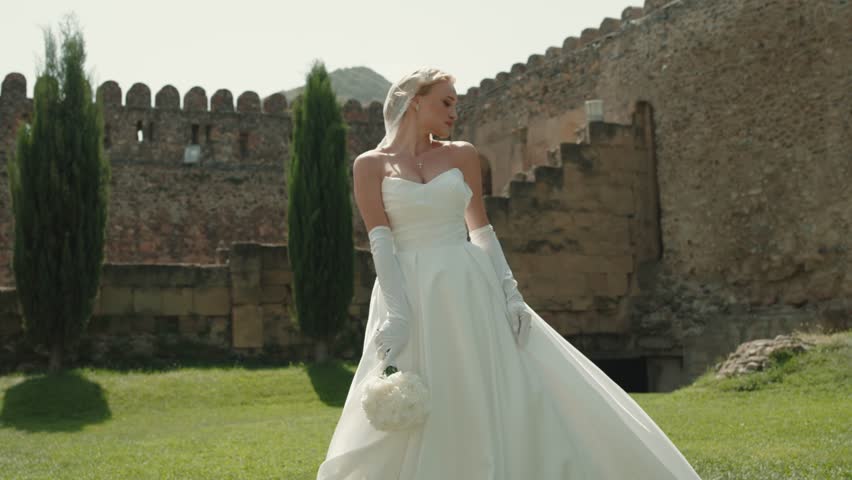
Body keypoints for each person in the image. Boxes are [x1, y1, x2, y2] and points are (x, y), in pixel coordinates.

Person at [316, 67, 702, 479]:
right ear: (414, 101)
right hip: (407, 289)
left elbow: (480, 229)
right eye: (445, 102)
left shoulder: (461, 154)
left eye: (456, 103)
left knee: (487, 384)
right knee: (421, 387)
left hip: (466, 283)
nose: (453, 111)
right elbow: (381, 243)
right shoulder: (369, 165)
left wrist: (510, 292)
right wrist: (398, 314)